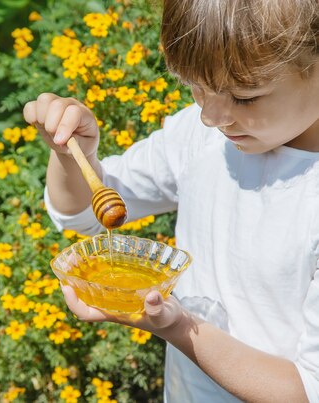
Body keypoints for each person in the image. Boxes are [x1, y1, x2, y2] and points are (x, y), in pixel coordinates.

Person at [23, 0, 319, 401]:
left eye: (245, 97)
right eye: (198, 86)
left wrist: (177, 328)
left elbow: (306, 390)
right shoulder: (199, 140)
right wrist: (72, 154)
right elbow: (80, 215)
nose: (211, 117)